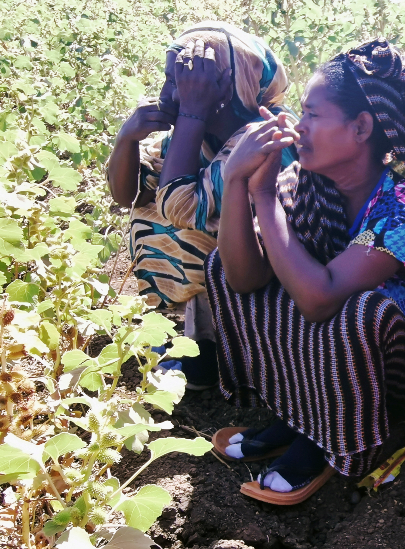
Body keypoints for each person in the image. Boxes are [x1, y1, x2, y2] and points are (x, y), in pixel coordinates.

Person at [205, 40, 405, 505]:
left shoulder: (404, 209)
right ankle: (302, 414)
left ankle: (337, 442)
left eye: (312, 115)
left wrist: (263, 199)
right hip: (331, 355)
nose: (297, 126)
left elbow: (319, 298)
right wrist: (237, 182)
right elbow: (242, 279)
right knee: (221, 266)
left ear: (361, 127)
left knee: (357, 312)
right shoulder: (303, 186)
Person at [105, 22, 290, 389]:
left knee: (192, 230)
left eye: (182, 82)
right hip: (242, 279)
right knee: (149, 211)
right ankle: (205, 348)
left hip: (279, 286)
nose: (165, 93)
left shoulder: (261, 134)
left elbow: (179, 207)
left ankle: (220, 358)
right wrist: (126, 138)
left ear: (222, 88)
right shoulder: (197, 135)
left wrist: (191, 114)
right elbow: (128, 195)